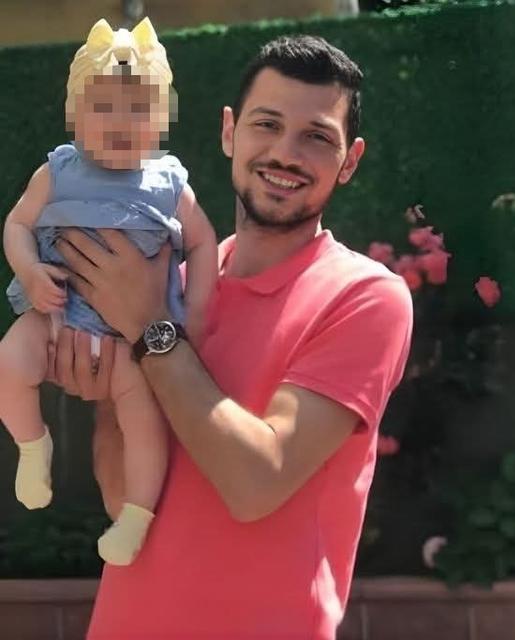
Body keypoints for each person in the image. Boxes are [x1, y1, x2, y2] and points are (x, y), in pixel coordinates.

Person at [54, 34, 413, 640]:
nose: (285, 153)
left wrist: (148, 330)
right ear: (229, 132)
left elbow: (255, 483)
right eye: (266, 125)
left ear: (349, 161)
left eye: (317, 137)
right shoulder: (169, 288)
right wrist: (111, 392)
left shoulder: (365, 296)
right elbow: (123, 499)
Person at [0, 17, 217, 566]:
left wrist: (195, 310)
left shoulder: (170, 182)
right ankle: (32, 444)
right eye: (103, 108)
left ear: (162, 118)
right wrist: (30, 271)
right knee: (7, 363)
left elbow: (203, 243)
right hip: (54, 316)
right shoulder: (58, 170)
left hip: (130, 341)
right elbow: (17, 224)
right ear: (74, 114)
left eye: (139, 109)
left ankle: (135, 517)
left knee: (143, 423)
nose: (121, 122)